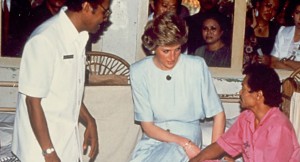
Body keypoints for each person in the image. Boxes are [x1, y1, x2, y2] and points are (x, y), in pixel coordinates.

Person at [11, 0, 111, 161]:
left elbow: (67, 91)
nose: (106, 18)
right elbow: (32, 101)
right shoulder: (45, 40)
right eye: (105, 11)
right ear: (86, 6)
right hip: (40, 149)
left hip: (64, 141)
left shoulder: (78, 37)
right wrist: (49, 152)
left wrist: (89, 120)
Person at [129, 11, 225, 162]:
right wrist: (185, 144)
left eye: (178, 49)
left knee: (173, 153)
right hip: (153, 141)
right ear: (153, 47)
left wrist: (213, 155)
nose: (172, 57)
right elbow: (147, 126)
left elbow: (218, 114)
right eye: (166, 51)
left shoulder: (196, 66)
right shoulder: (139, 71)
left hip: (187, 138)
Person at [190, 63, 300, 162]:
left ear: (258, 95)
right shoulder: (247, 118)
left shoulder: (278, 128)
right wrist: (196, 159)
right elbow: (221, 145)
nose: (240, 92)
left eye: (243, 88)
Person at [243, 0, 281, 66]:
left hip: (266, 72)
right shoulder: (245, 25)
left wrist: (270, 60)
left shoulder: (277, 29)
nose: (270, 11)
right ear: (258, 4)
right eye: (268, 5)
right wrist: (252, 28)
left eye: (274, 9)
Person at [269, 0, 300, 71]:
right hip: (280, 79)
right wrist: (295, 69)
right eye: (297, 13)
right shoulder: (283, 32)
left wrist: (286, 61)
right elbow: (273, 63)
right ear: (293, 14)